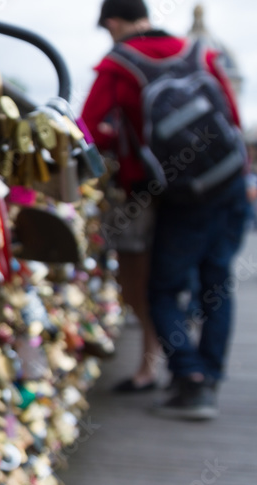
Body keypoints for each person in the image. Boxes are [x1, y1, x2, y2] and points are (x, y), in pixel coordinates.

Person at [82, 0, 249, 420]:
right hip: (229, 183)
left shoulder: (118, 64)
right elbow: (231, 116)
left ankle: (189, 378)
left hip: (179, 193)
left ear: (114, 23)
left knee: (161, 290)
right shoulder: (200, 52)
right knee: (217, 283)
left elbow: (85, 129)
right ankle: (207, 378)